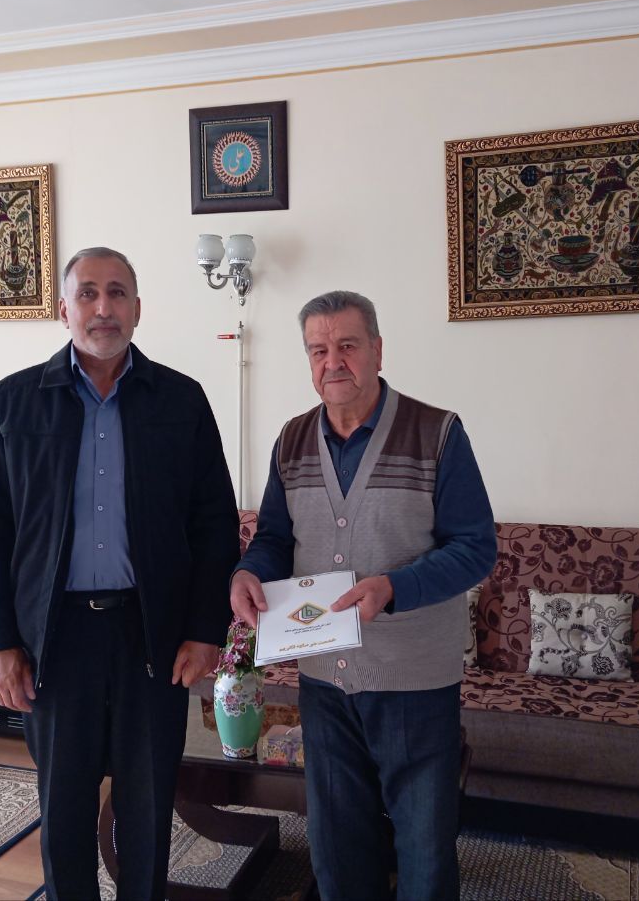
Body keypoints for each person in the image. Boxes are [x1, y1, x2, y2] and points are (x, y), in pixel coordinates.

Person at [0, 247, 239, 899]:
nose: (103, 307)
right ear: (64, 309)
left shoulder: (181, 401)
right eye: (87, 293)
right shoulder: (10, 404)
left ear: (138, 309)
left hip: (152, 636)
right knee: (63, 809)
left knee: (148, 805)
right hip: (53, 641)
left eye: (116, 293)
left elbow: (214, 524)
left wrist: (204, 629)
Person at [230, 290, 496, 900]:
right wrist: (248, 573)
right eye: (318, 350)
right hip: (324, 679)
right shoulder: (291, 441)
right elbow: (274, 539)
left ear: (377, 349)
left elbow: (475, 547)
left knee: (424, 849)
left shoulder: (438, 433)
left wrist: (394, 588)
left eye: (347, 346)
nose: (333, 362)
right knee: (337, 844)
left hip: (414, 681)